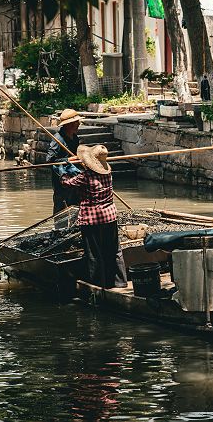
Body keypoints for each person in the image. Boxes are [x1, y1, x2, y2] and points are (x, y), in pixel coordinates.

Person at [61, 144, 127, 289]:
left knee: (94, 253)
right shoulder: (107, 173)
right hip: (110, 216)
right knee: (114, 250)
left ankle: (97, 285)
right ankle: (120, 282)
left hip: (92, 220)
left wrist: (62, 171)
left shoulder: (85, 177)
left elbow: (66, 183)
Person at [47, 108, 81, 214]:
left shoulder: (75, 138)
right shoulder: (58, 139)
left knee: (75, 204)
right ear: (70, 124)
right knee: (61, 206)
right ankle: (59, 229)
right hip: (61, 180)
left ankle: (74, 228)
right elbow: (50, 160)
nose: (79, 124)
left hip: (74, 178)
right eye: (77, 122)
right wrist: (68, 160)